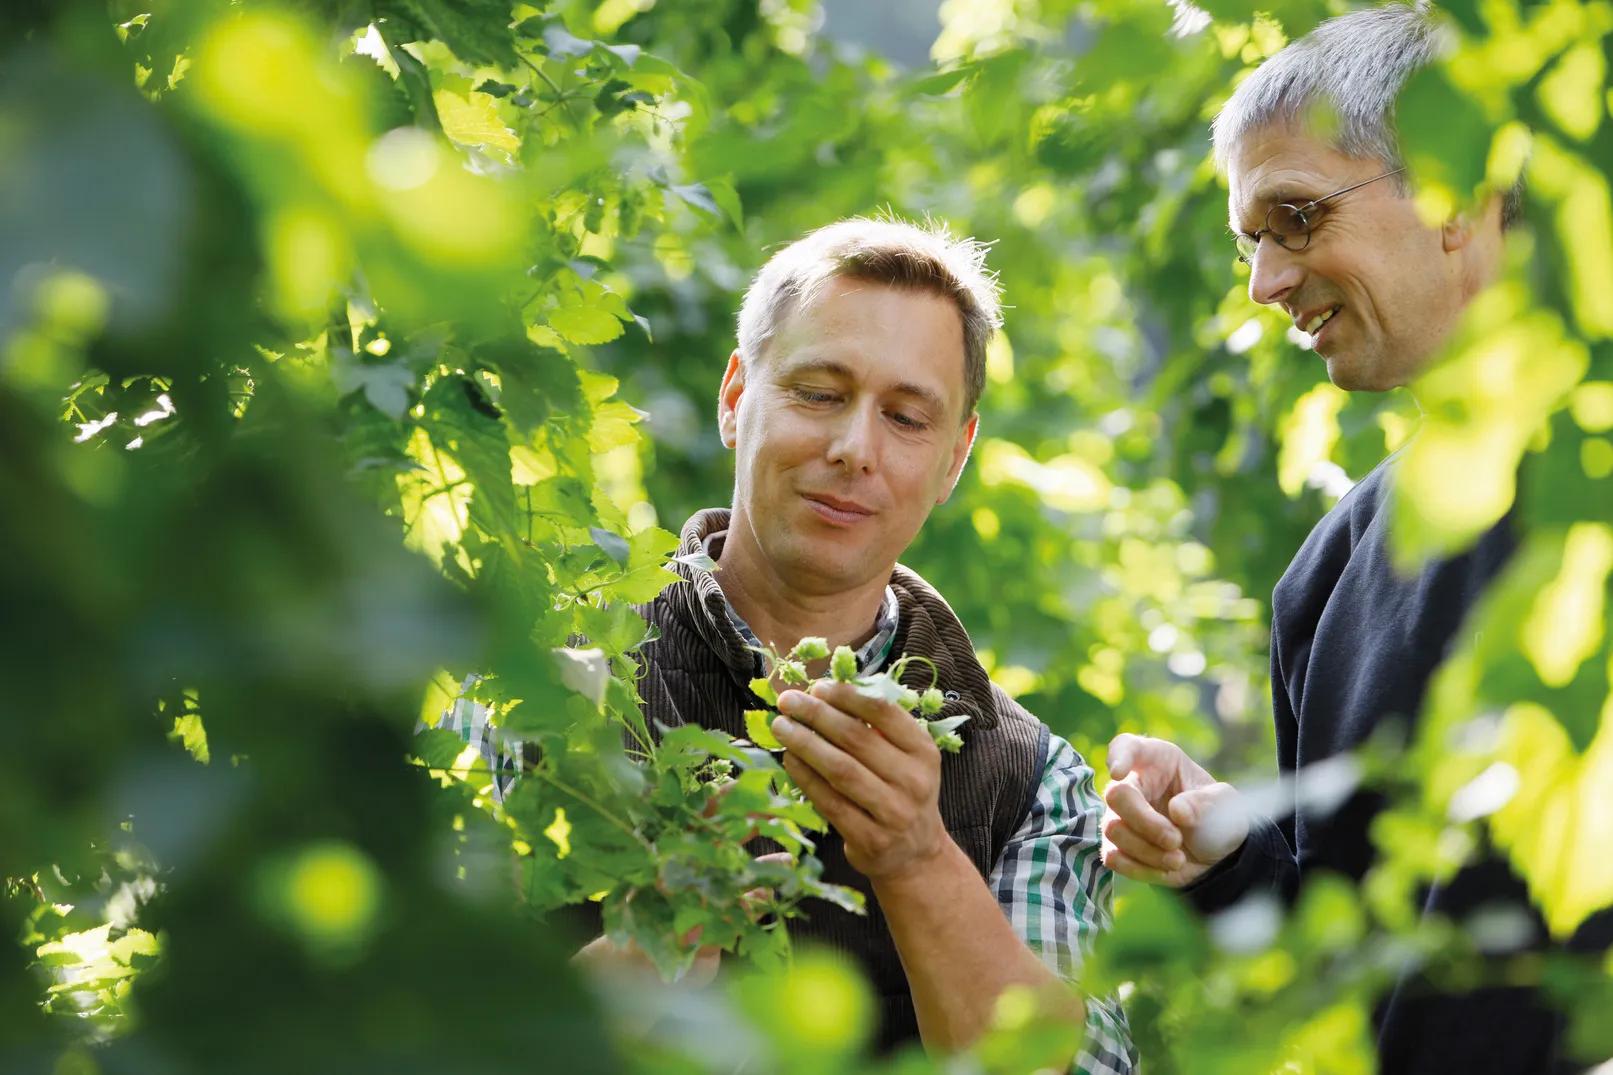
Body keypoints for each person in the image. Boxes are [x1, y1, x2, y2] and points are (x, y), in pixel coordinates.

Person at [1098, 6, 1611, 1073]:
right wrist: (1230, 851)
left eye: (1295, 219)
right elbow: (1351, 990)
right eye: (1249, 244)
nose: (1264, 284)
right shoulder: (1323, 578)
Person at [618, 216, 1132, 1068]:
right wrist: (651, 942)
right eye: (818, 392)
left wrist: (917, 858)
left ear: (953, 461)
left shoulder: (1032, 778)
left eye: (904, 416)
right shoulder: (556, 679)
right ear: (735, 398)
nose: (855, 448)